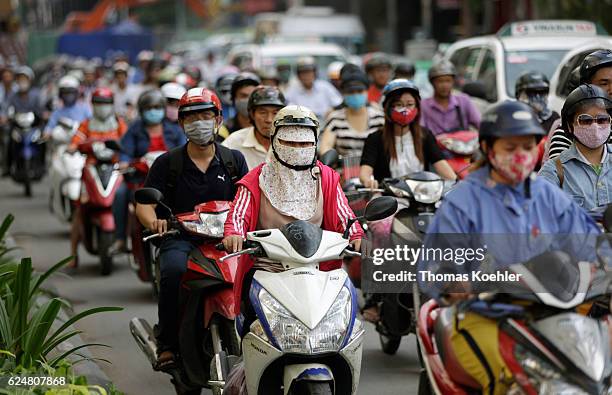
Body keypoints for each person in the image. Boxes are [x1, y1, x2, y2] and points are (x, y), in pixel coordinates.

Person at [419, 100, 600, 395]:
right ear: (489, 150)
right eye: (510, 148)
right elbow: (439, 263)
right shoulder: (463, 200)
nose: (521, 155)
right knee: (509, 380)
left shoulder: (547, 195)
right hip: (482, 314)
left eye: (527, 147)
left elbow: (588, 241)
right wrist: (455, 279)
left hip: (552, 313)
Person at [221, 105, 364, 328]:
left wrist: (355, 233)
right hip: (269, 270)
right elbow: (238, 214)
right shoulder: (256, 178)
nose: (298, 149)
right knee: (251, 324)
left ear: (315, 143)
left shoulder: (326, 177)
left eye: (305, 143)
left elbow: (344, 213)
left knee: (346, 322)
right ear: (275, 140)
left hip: (320, 271)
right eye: (289, 142)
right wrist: (234, 233)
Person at [135, 87, 247, 370]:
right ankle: (168, 343)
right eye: (192, 117)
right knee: (172, 270)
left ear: (218, 119)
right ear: (182, 123)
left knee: (258, 272)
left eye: (206, 115)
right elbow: (144, 204)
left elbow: (249, 200)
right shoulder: (167, 163)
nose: (199, 122)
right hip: (181, 238)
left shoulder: (234, 160)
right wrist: (154, 222)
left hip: (228, 239)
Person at [110, 89, 186, 254]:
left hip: (169, 180)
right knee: (120, 194)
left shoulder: (174, 129)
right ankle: (120, 239)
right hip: (139, 180)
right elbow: (125, 150)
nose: (153, 111)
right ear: (142, 110)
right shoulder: (134, 129)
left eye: (157, 107)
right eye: (149, 107)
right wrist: (124, 161)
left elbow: (184, 148)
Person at [67, 88, 128, 267]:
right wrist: (73, 147)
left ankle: (130, 243)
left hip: (115, 168)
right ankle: (72, 255)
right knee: (79, 209)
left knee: (129, 203)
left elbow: (127, 143)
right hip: (91, 170)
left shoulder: (119, 124)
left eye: (106, 104)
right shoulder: (86, 124)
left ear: (112, 105)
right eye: (99, 103)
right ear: (92, 105)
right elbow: (75, 141)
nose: (102, 107)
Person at [359, 79, 456, 188]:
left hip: (423, 195)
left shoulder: (425, 135)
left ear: (417, 108)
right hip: (389, 198)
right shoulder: (375, 138)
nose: (405, 110)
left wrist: (457, 183)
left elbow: (442, 166)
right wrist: (368, 181)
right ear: (387, 108)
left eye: (410, 104)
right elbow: (365, 172)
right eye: (398, 105)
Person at [539, 84, 612, 217]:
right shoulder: (554, 171)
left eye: (602, 120)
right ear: (569, 125)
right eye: (585, 120)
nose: (595, 126)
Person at [548, 49, 612, 159]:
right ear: (586, 86)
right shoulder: (568, 130)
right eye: (604, 83)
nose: (611, 89)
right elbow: (560, 173)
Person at [319, 68, 385, 158]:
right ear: (343, 94)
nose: (355, 95)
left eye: (359, 91)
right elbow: (326, 147)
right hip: (344, 170)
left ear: (367, 91)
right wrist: (328, 159)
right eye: (351, 92)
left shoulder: (379, 118)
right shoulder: (335, 119)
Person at [222, 85, 286, 169]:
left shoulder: (292, 143)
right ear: (252, 115)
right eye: (263, 112)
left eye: (275, 113)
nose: (269, 120)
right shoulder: (233, 143)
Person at [420, 60, 481, 135]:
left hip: (462, 145)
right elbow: (420, 131)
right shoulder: (423, 105)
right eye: (440, 81)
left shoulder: (464, 101)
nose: (444, 85)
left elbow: (479, 124)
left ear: (453, 82)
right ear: (432, 83)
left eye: (448, 81)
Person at [284, 56, 343, 121]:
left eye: (309, 72)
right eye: (303, 72)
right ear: (298, 75)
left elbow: (339, 104)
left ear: (315, 73)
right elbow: (287, 110)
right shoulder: (292, 91)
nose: (306, 76)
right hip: (303, 126)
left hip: (326, 124)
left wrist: (332, 111)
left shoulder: (325, 87)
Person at [221, 72, 261, 137]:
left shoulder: (266, 128)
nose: (248, 100)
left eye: (252, 96)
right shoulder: (224, 129)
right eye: (243, 96)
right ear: (233, 99)